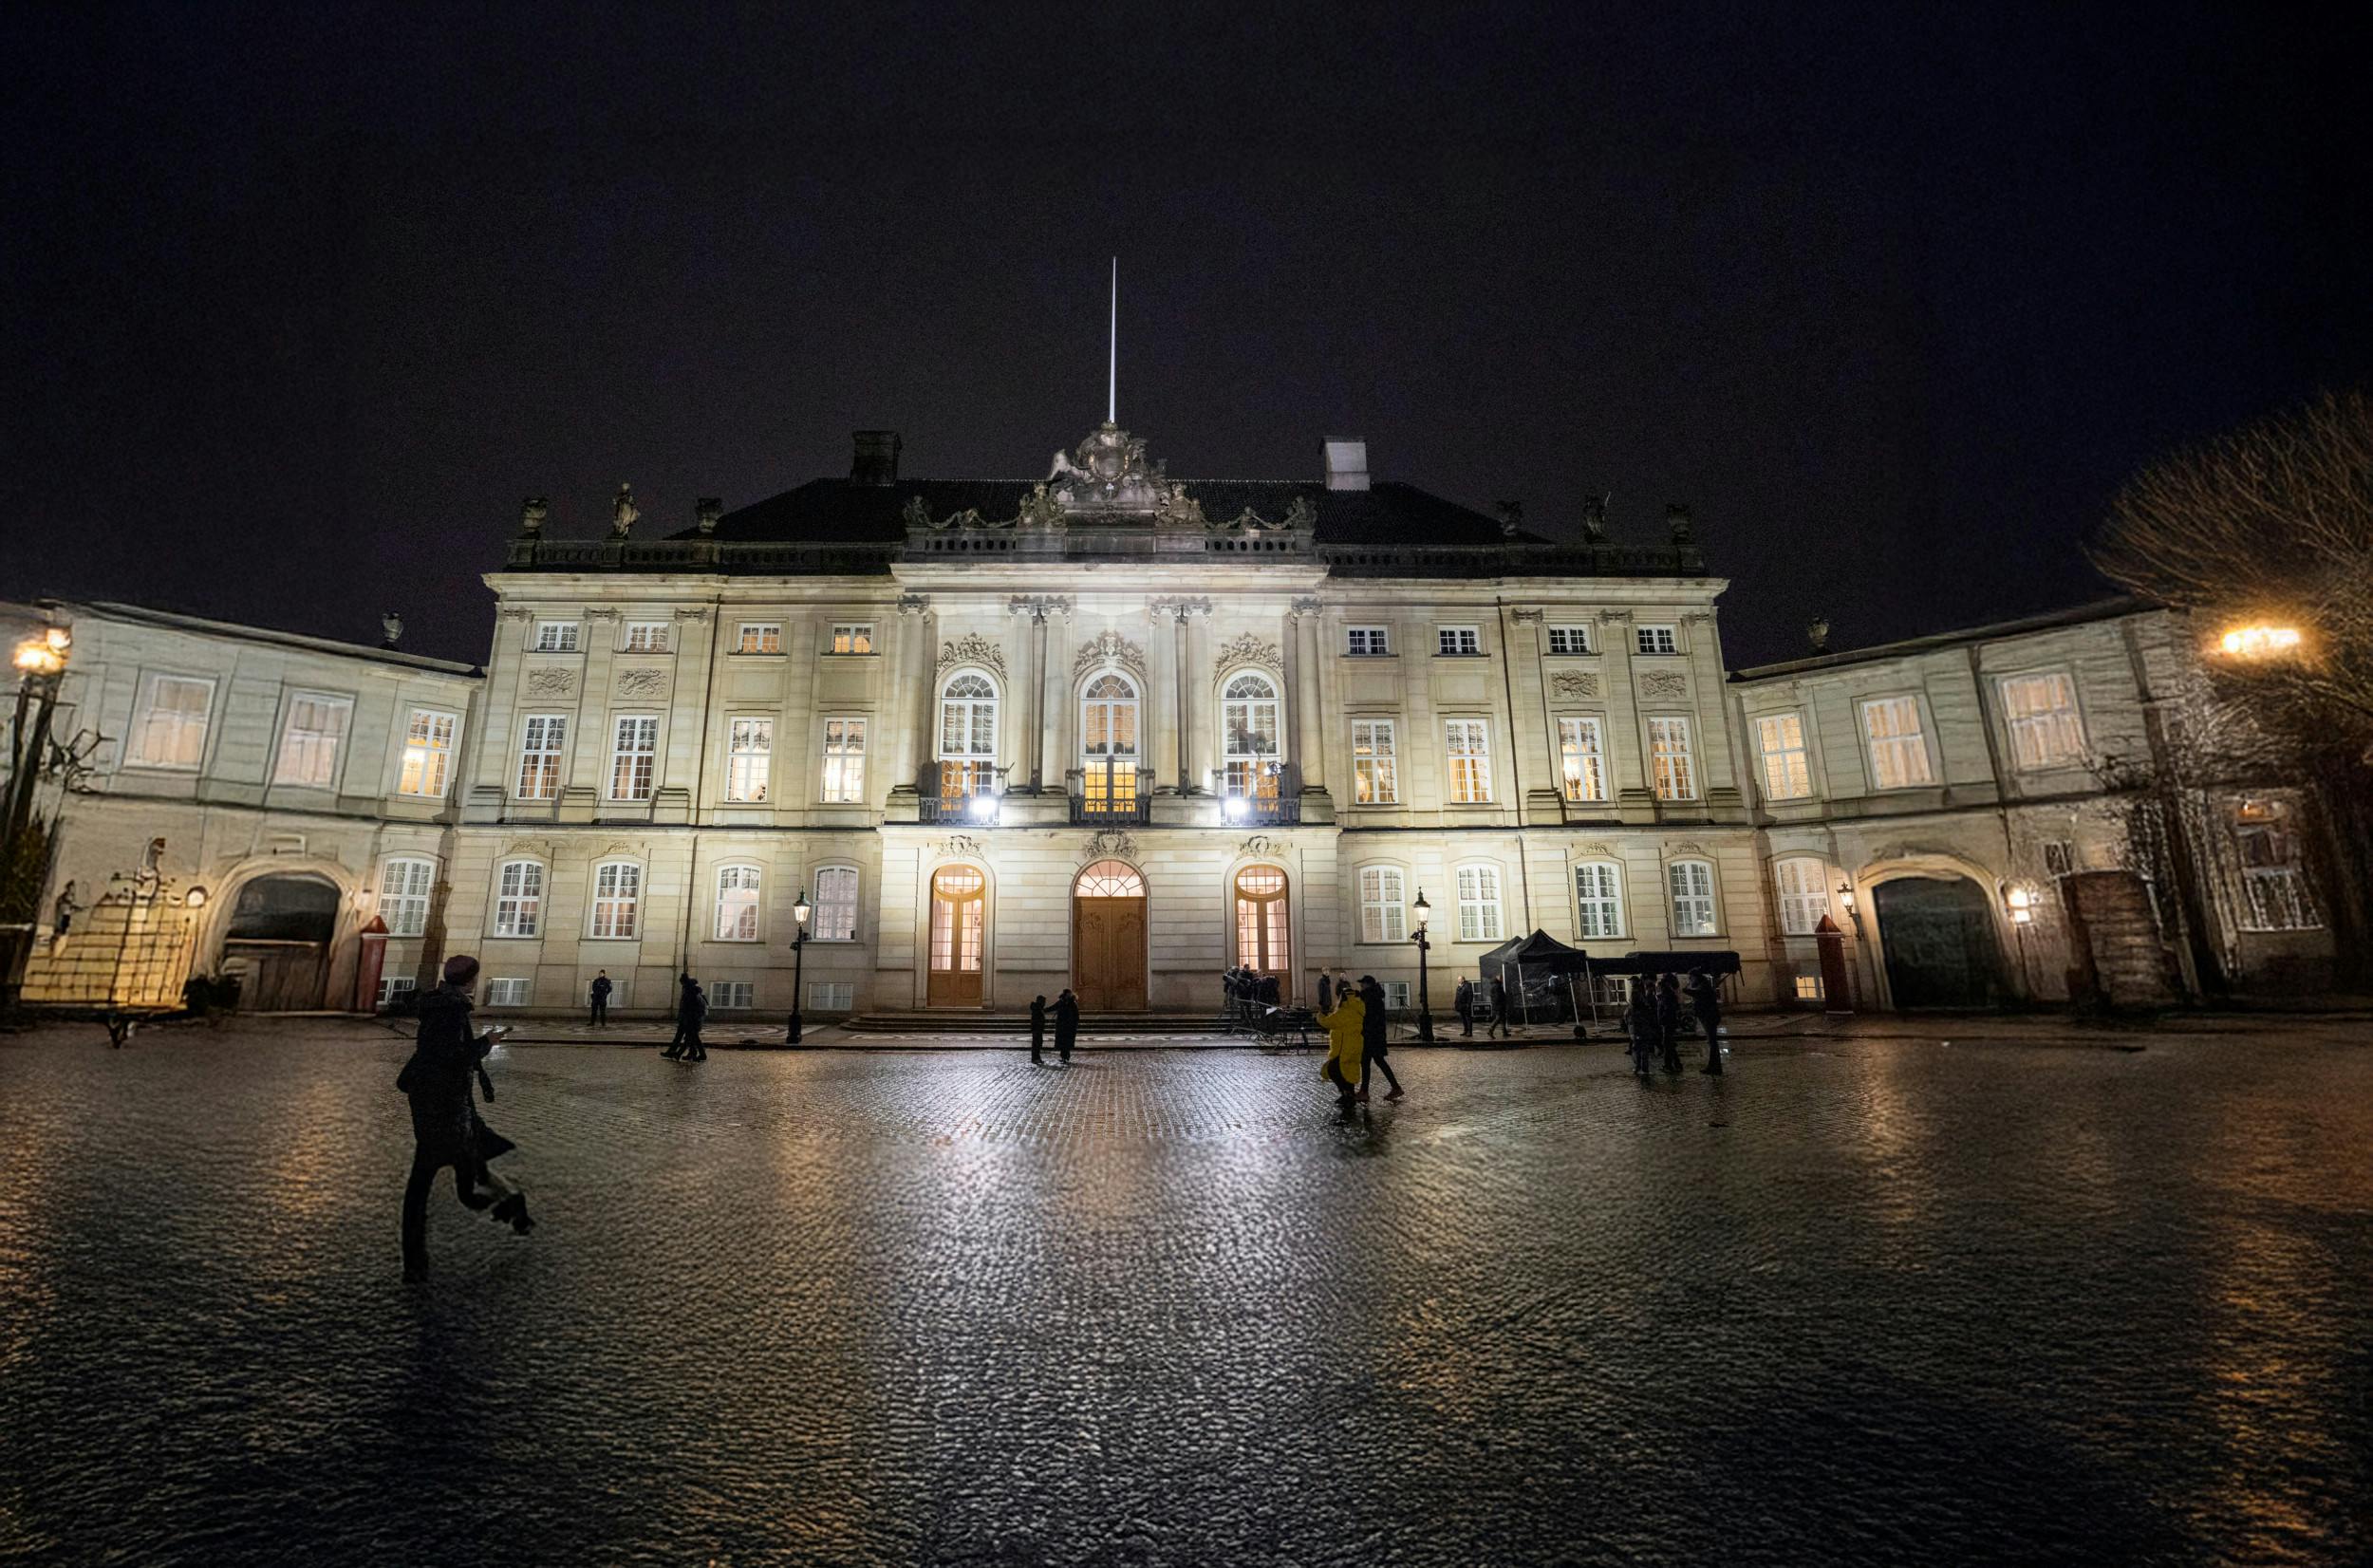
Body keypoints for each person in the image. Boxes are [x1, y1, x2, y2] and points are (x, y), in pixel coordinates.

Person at [398, 955, 533, 1281]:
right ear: (470, 981)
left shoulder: (437, 1004)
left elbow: (440, 1054)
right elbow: (451, 1058)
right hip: (447, 1110)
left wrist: (482, 1044)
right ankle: (513, 1210)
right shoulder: (452, 1010)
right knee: (463, 1182)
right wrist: (486, 1042)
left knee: (439, 1182)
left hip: (437, 1107)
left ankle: (415, 1262)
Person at [1317, 980, 1365, 1108]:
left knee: (1334, 1070)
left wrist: (1320, 1015)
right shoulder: (1358, 1010)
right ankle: (1348, 1094)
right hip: (1354, 1045)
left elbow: (1328, 1022)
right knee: (1348, 1070)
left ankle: (1346, 1094)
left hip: (1343, 1047)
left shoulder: (1344, 1012)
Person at [1358, 974, 1402, 1101]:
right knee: (1374, 1061)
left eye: (1363, 983)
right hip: (1375, 1035)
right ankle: (1393, 1087)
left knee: (1368, 1062)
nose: (1361, 985)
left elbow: (1369, 1017)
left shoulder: (1371, 998)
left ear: (1368, 985)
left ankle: (1365, 1091)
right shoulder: (1374, 996)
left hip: (1372, 1035)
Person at [1689, 967, 1725, 1074]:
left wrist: (1687, 990)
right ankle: (1713, 1065)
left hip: (1709, 1016)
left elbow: (1699, 994)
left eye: (1691, 977)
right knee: (1711, 1042)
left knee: (1712, 1042)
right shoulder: (1703, 984)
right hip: (1707, 1016)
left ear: (1696, 977)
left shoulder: (1703, 986)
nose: (1690, 980)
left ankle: (1715, 1066)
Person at [1624, 983, 1658, 1078]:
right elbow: (1650, 1018)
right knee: (1644, 1050)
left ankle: (1637, 1067)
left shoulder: (1630, 1009)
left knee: (1637, 1050)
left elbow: (1626, 1019)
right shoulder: (1644, 1007)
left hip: (1635, 1031)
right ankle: (1644, 1068)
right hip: (1644, 1030)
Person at [662, 972, 698, 1058]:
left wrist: (685, 1016)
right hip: (687, 1017)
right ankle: (689, 1052)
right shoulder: (689, 990)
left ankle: (676, 1052)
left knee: (686, 1037)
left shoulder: (690, 991)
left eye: (682, 983)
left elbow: (688, 1006)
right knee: (689, 1037)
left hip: (688, 1018)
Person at [1655, 972, 1684, 1074]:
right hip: (1669, 1021)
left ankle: (1668, 1065)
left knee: (1667, 1044)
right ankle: (1676, 1063)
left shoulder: (1667, 993)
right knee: (1669, 1044)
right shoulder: (1669, 993)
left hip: (1668, 1022)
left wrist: (1662, 1018)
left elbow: (1668, 1008)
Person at [679, 978, 709, 1062]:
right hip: (695, 1020)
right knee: (692, 1038)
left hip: (693, 1020)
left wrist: (687, 1018)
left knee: (692, 1038)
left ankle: (701, 1055)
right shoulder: (697, 995)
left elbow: (689, 1009)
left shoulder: (693, 996)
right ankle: (693, 1053)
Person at [1055, 988, 1079, 1065]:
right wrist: (1042, 1010)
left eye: (1069, 994)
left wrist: (1075, 1024)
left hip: (1069, 1026)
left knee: (1067, 1042)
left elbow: (1076, 1015)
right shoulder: (1060, 1002)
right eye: (1067, 994)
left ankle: (1066, 1057)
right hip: (1061, 1025)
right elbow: (1053, 1007)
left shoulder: (1073, 1003)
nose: (1069, 995)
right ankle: (1063, 1057)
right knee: (1062, 1042)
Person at [1488, 974, 1513, 1039]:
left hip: (1498, 1005)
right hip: (1499, 1005)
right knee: (1499, 1018)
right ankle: (1490, 1030)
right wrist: (1502, 1003)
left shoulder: (1496, 985)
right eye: (1501, 978)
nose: (1502, 979)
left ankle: (1504, 1032)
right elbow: (1498, 997)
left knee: (1503, 1018)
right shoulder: (1497, 986)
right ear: (1498, 978)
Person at [1030, 994, 1048, 1066]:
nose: (1044, 1003)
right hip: (1037, 1029)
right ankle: (1035, 1058)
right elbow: (1036, 1020)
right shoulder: (1037, 1009)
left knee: (1038, 1043)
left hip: (1038, 1029)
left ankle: (1037, 1057)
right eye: (1044, 1002)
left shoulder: (1038, 1008)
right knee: (1036, 1044)